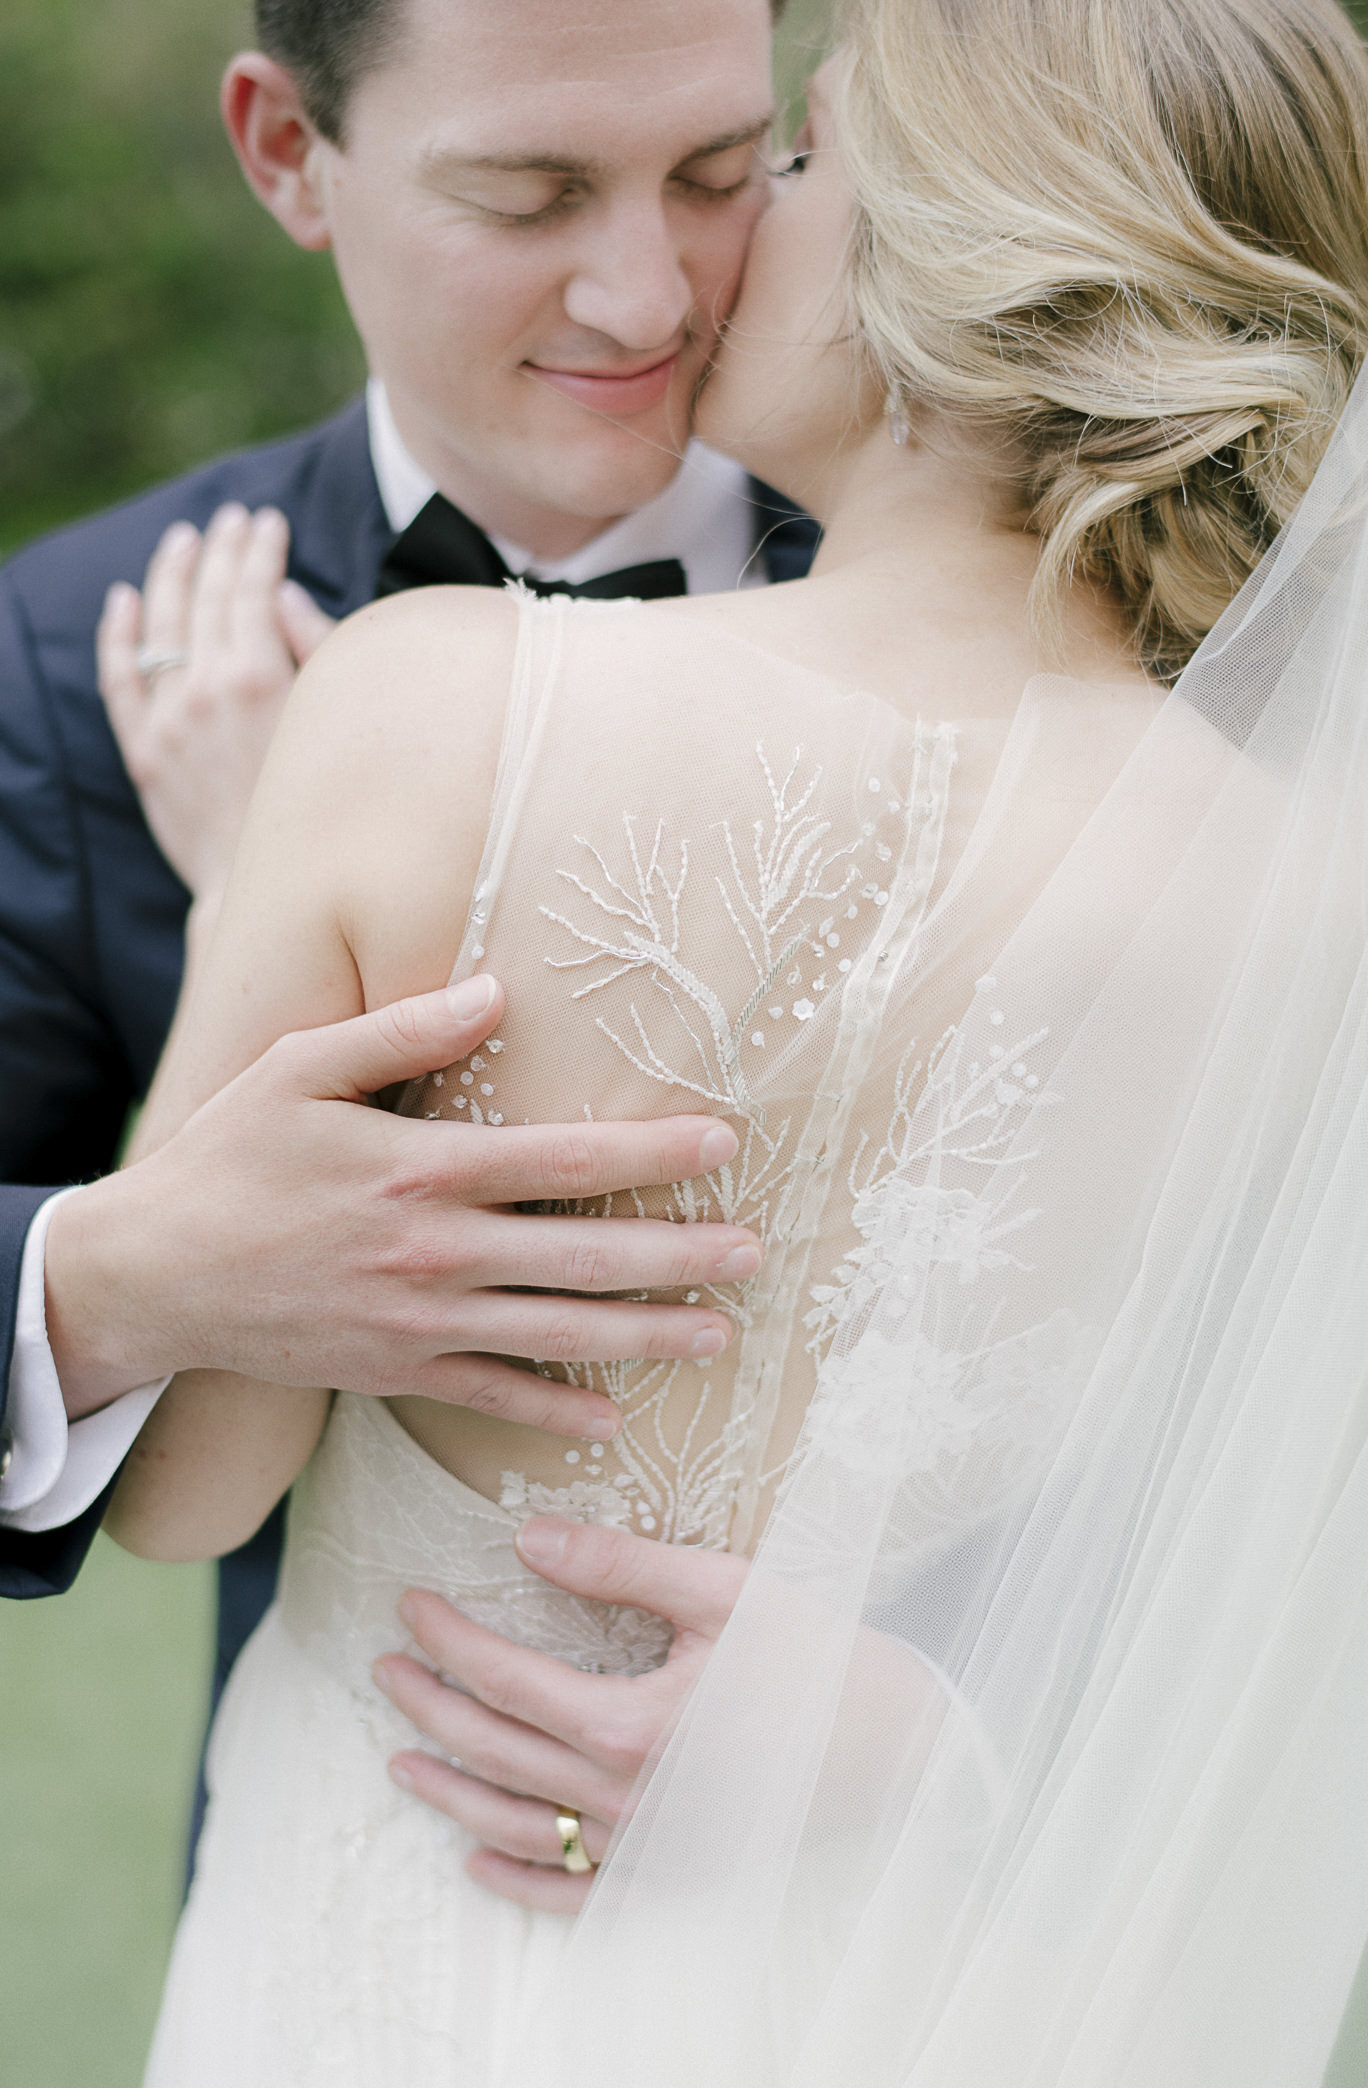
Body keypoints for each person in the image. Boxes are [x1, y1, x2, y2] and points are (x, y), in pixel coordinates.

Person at [101, 0, 1368, 2078]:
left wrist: (258, 883)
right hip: (919, 1990)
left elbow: (186, 1490)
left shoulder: (428, 716)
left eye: (786, 165)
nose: (693, 261)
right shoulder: (1319, 901)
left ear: (935, 267)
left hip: (390, 1950)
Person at [0, 0, 816, 1817]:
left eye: (713, 172)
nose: (651, 300)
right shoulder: (67, 669)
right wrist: (110, 1274)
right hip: (358, 1854)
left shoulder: (1059, 576)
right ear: (290, 152)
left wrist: (952, 1728)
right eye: (528, 198)